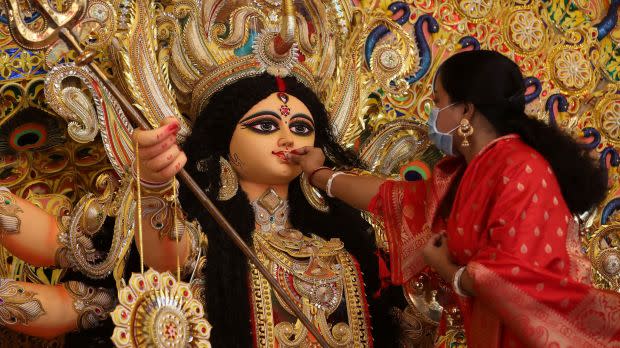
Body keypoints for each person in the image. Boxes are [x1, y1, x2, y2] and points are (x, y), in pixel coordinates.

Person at [289, 50, 620, 346]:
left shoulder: (521, 168)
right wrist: (318, 174)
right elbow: (392, 198)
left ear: (466, 111)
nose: (432, 114)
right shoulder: (465, 174)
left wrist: (450, 270)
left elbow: (513, 277)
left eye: (437, 102)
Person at [133, 74, 400, 347]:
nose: (287, 139)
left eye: (300, 128)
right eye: (265, 125)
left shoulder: (345, 245)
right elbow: (165, 255)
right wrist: (153, 184)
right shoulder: (211, 239)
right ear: (225, 137)